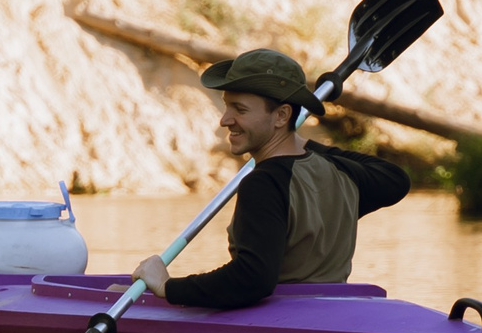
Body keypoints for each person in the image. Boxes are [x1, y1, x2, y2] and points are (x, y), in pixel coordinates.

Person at [135, 48, 411, 309]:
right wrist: (301, 142)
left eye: (240, 109)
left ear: (281, 115)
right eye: (227, 106)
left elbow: (251, 279)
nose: (225, 119)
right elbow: (394, 179)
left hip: (283, 321)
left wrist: (167, 287)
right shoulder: (340, 173)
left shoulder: (263, 183)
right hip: (333, 312)